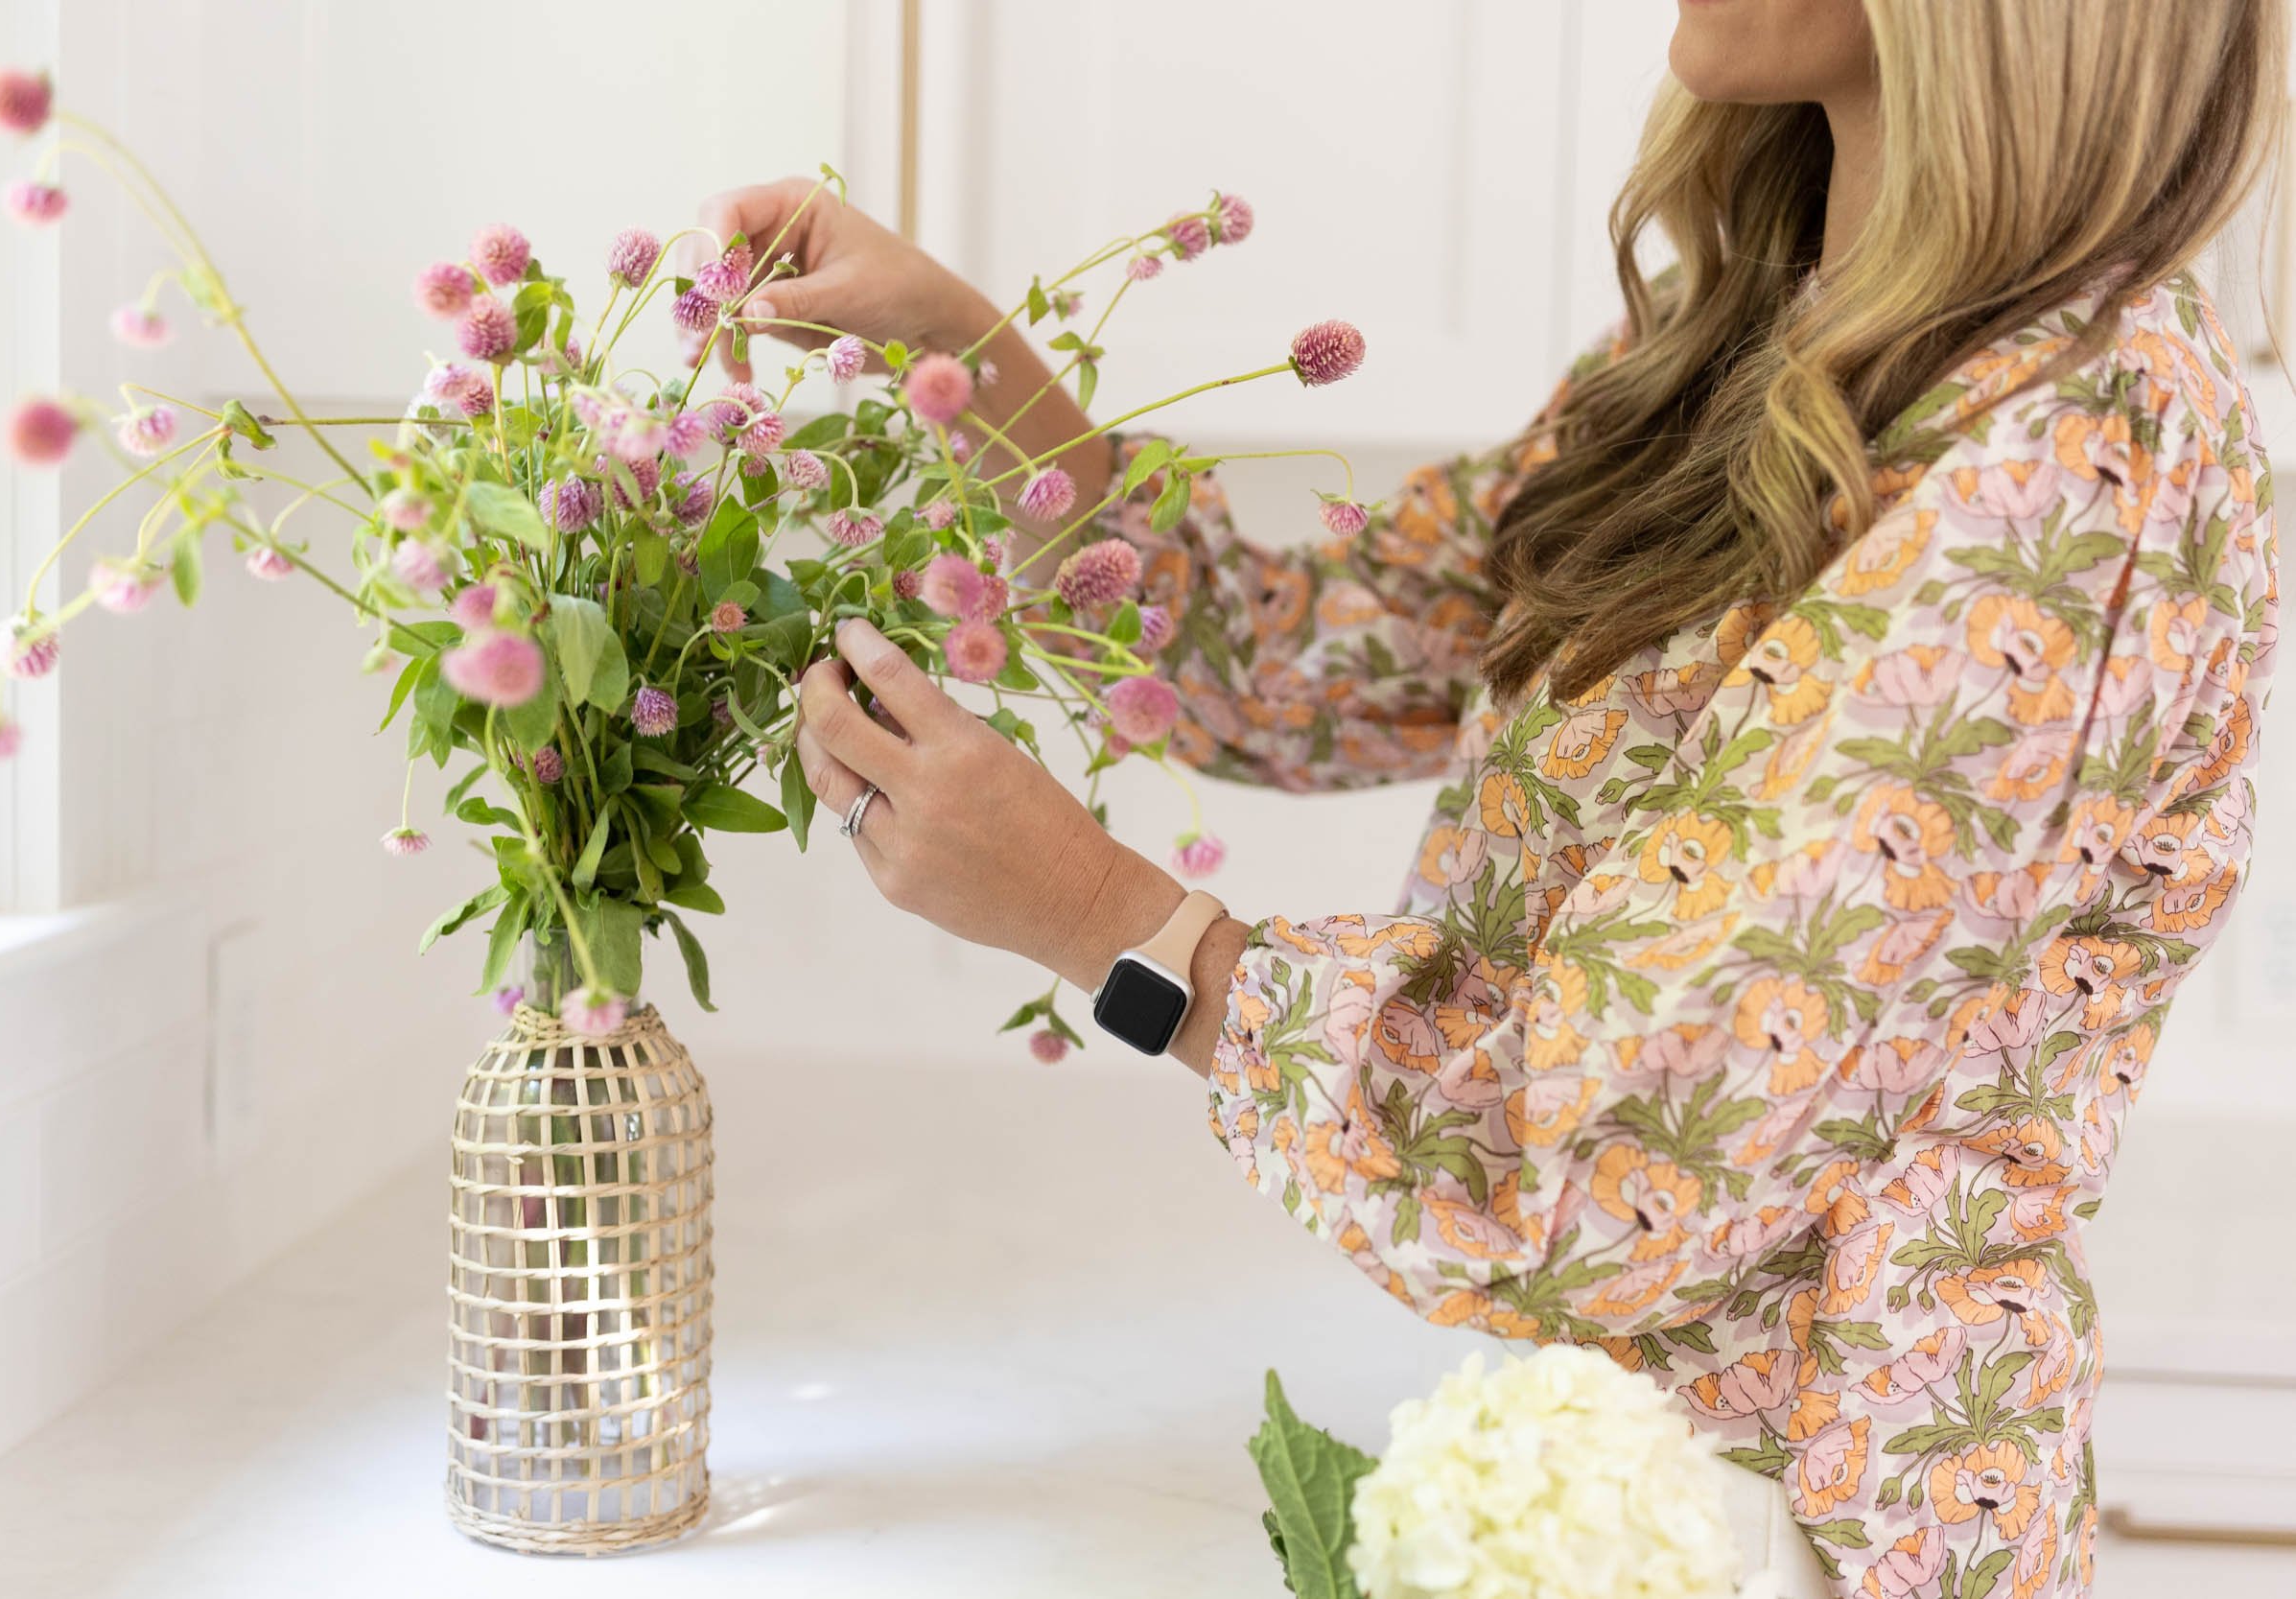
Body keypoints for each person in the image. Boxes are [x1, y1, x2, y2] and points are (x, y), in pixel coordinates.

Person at [703, 2, 2283, 1593]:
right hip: (1613, 1481)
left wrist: (1107, 922)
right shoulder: (1746, 336)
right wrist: (959, 347)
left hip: (1823, 1526)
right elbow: (1283, 657)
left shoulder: (2072, 453)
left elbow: (1601, 1171)